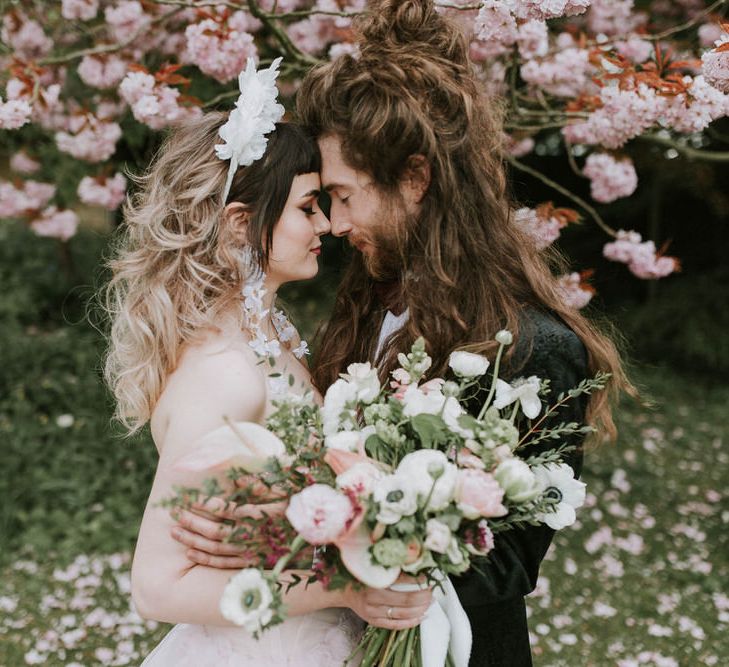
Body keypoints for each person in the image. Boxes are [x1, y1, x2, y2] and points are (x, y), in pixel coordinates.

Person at [170, 2, 632, 666]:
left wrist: (315, 543)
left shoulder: (535, 346)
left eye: (344, 195)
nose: (332, 221)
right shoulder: (363, 300)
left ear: (414, 179)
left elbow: (505, 562)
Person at [103, 59, 433, 667]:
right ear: (238, 225)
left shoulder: (266, 337)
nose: (328, 226)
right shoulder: (223, 370)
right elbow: (157, 585)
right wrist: (348, 589)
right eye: (308, 207)